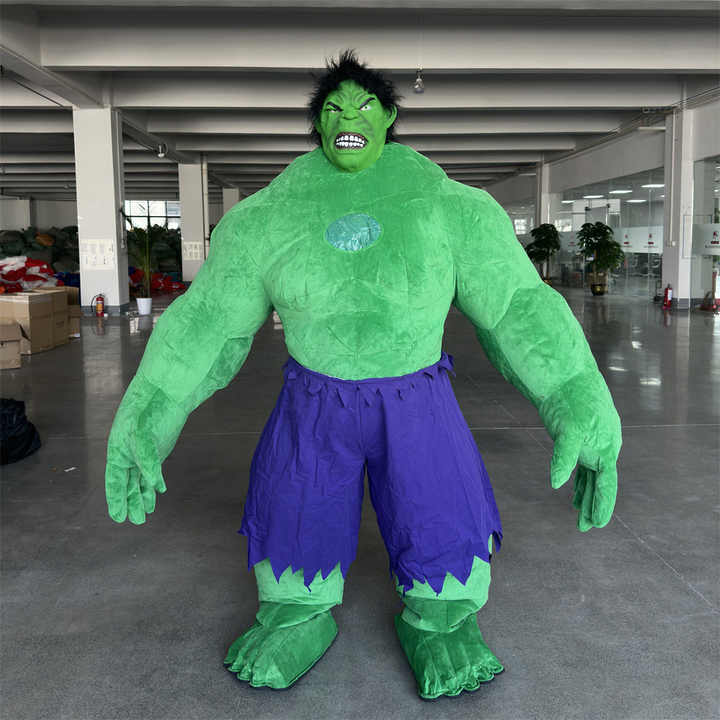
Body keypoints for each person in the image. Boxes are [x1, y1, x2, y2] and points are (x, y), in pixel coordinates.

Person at [105, 50, 621, 699]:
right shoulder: (266, 217)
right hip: (313, 403)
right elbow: (210, 320)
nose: (349, 116)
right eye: (334, 107)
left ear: (388, 117)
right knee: (296, 504)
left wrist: (574, 392)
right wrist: (153, 403)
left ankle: (442, 619)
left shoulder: (449, 207)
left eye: (364, 104)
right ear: (318, 123)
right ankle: (296, 611)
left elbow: (517, 305)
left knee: (438, 506)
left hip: (418, 399)